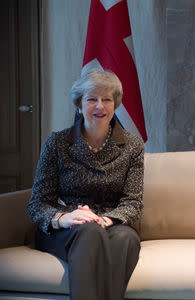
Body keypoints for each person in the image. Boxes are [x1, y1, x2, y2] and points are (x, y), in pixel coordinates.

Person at [27, 69, 144, 300]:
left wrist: (106, 219)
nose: (100, 106)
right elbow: (37, 204)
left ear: (115, 105)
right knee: (89, 231)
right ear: (79, 105)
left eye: (107, 99)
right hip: (65, 228)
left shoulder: (132, 146)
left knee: (127, 238)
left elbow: (133, 202)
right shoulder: (58, 143)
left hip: (111, 223)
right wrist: (64, 218)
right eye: (92, 99)